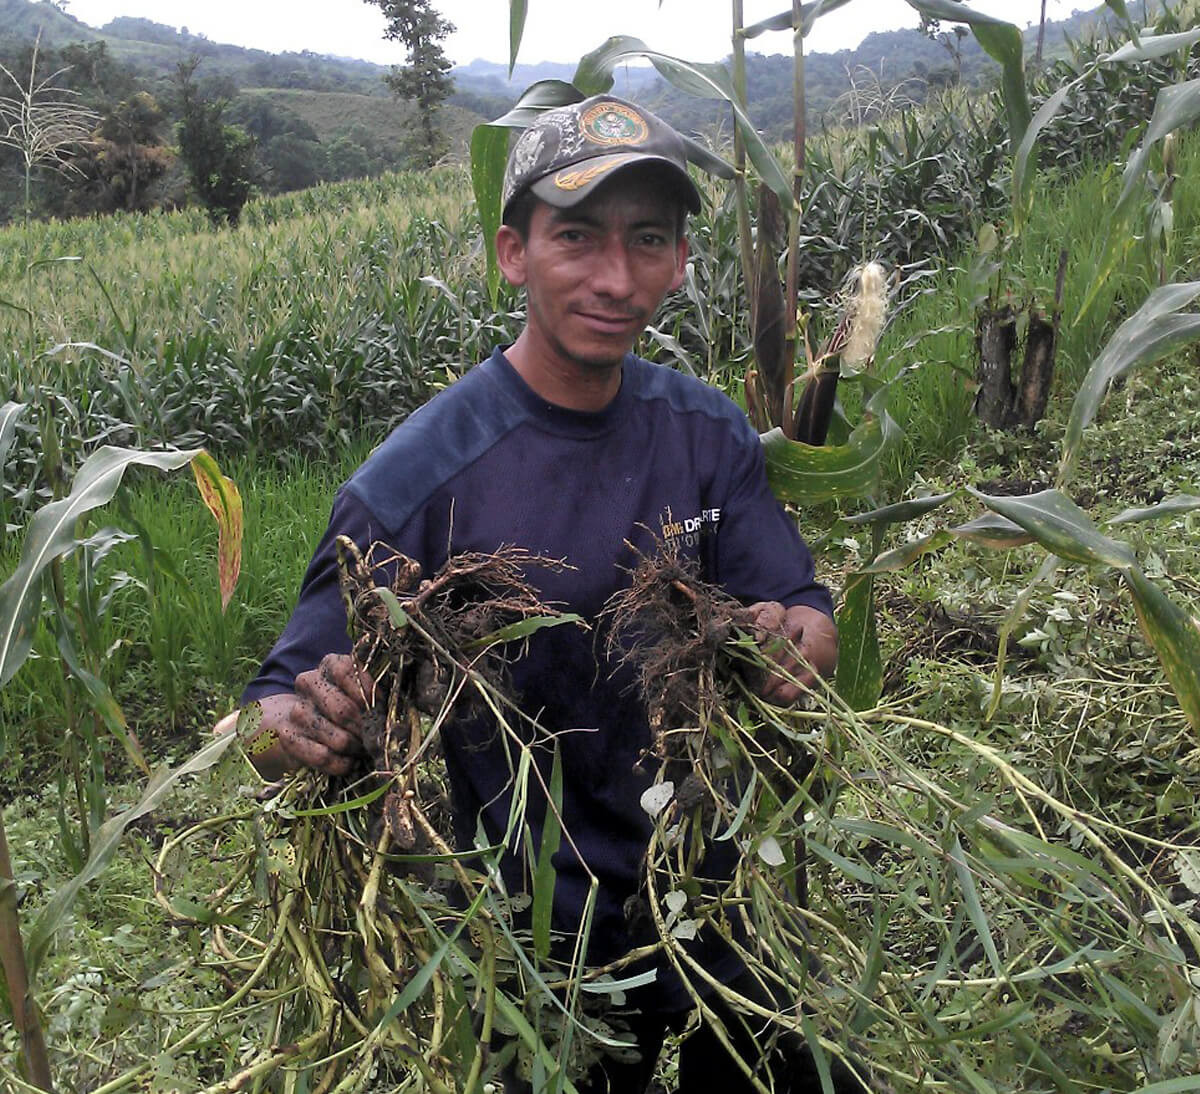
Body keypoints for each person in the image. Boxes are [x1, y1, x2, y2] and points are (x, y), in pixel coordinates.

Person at [237, 94, 859, 1093]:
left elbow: (803, 608)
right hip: (538, 945)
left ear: (680, 262)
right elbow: (268, 713)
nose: (616, 278)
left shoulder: (705, 435)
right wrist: (301, 721)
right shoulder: (416, 481)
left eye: (647, 240)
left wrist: (796, 640)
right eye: (576, 236)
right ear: (512, 253)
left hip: (719, 893)